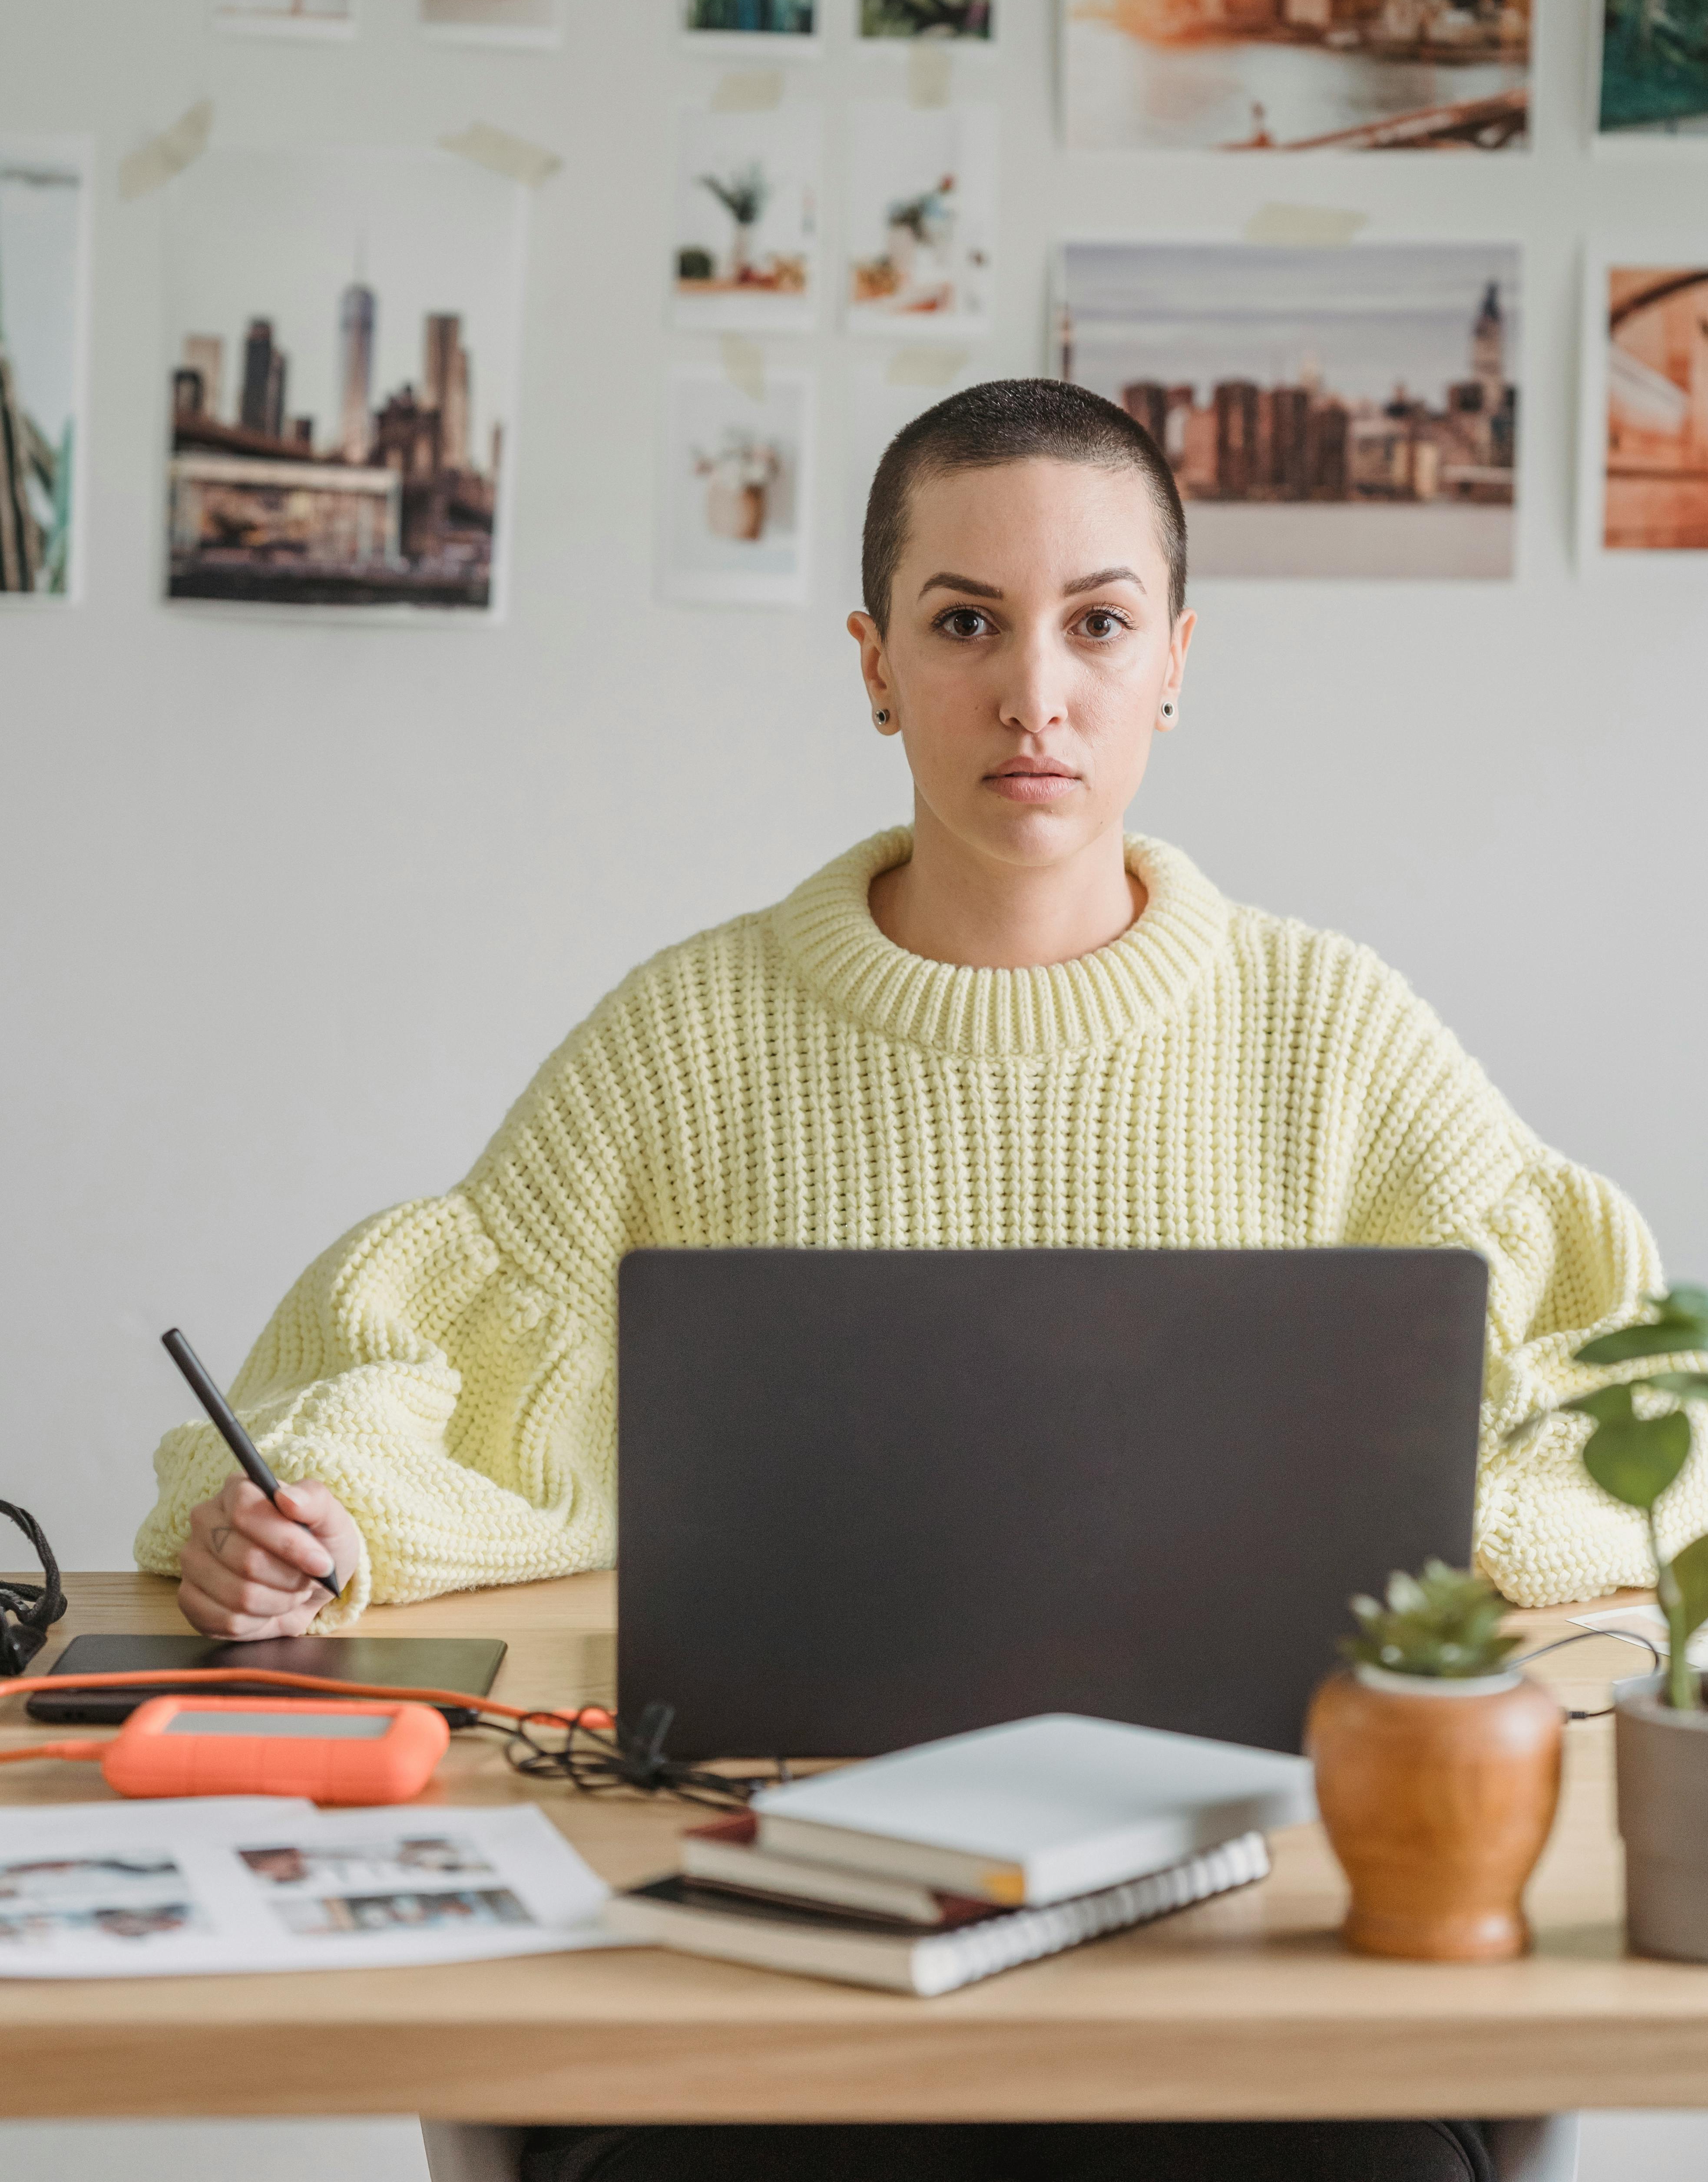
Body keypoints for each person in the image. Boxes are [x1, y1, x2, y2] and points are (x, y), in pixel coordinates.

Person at [138, 379, 1672, 2182]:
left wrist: (1469, 1523)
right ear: (873, 663)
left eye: (1096, 622)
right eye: (965, 623)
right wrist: (304, 1518)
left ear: (1173, 657)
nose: (1035, 691)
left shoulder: (1333, 1030)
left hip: (1240, 1923)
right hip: (771, 1912)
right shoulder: (682, 1036)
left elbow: (1622, 1378)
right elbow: (431, 1376)